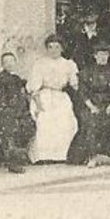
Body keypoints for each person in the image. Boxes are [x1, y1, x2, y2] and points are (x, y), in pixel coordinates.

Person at [26, 33, 80, 163]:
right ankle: (44, 156)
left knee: (65, 119)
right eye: (50, 47)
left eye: (57, 47)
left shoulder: (68, 64)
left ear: (62, 48)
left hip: (60, 96)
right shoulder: (40, 64)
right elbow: (34, 87)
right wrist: (38, 104)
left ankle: (63, 155)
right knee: (46, 119)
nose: (53, 50)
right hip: (44, 96)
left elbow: (75, 84)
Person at [75, 38, 110, 167]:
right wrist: (91, 106)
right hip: (92, 104)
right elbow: (83, 92)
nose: (103, 58)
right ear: (94, 56)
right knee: (92, 122)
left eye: (105, 55)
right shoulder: (87, 72)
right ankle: (92, 156)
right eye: (100, 55)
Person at [0, 51, 35, 173]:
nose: (9, 64)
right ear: (2, 64)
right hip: (3, 111)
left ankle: (18, 155)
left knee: (29, 125)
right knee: (10, 127)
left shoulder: (17, 79)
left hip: (18, 111)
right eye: (6, 62)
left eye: (11, 61)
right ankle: (12, 161)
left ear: (15, 62)